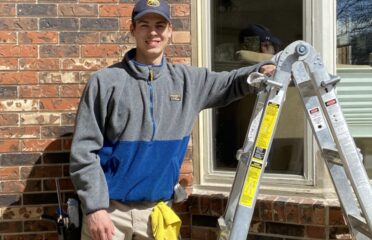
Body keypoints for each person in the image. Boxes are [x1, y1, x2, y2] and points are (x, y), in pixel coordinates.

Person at [69, 0, 276, 239]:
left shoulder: (189, 82)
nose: (153, 32)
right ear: (132, 29)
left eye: (160, 25)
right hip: (111, 215)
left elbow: (231, 81)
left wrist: (263, 70)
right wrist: (95, 208)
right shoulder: (104, 82)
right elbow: (84, 152)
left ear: (169, 30)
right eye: (144, 25)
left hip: (159, 213)